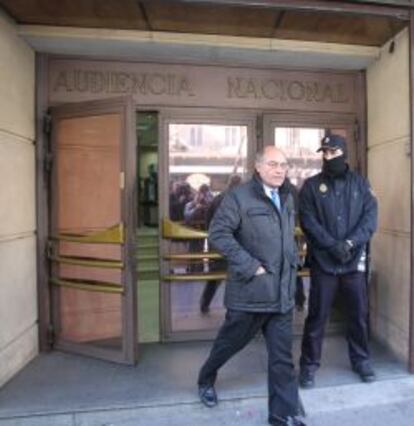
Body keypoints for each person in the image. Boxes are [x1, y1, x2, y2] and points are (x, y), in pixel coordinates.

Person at [197, 146, 305, 426]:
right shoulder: (238, 197)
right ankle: (206, 377)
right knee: (229, 344)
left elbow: (286, 237)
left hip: (280, 294)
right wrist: (249, 265)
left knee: (282, 358)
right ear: (258, 167)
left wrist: (293, 261)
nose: (279, 169)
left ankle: (284, 415)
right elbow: (218, 234)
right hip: (251, 294)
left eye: (283, 164)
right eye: (272, 164)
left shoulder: (287, 197)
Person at [298, 134, 378, 389]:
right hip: (324, 263)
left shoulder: (361, 185)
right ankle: (309, 367)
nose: (327, 157)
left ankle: (361, 361)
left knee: (358, 316)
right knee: (317, 317)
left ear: (343, 154)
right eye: (324, 153)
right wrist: (332, 245)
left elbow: (370, 220)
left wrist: (350, 244)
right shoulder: (311, 186)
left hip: (353, 264)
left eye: (332, 153)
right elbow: (308, 221)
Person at [199, 174, 243, 314]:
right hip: (235, 244)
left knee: (215, 276)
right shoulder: (240, 200)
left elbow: (208, 220)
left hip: (218, 244)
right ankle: (235, 307)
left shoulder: (218, 198)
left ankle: (205, 303)